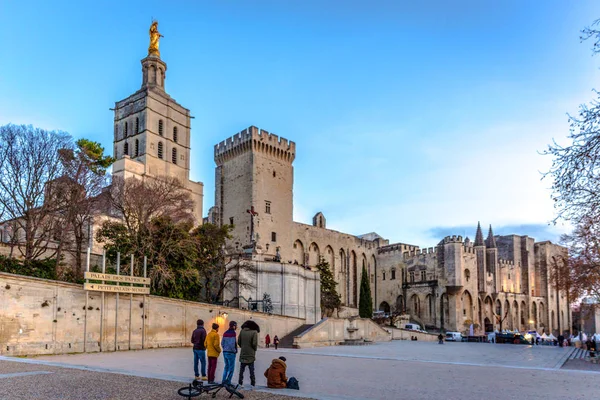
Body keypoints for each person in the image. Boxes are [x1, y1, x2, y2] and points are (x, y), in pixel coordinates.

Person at [238, 320, 260, 390]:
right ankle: (252, 384)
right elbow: (254, 343)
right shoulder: (254, 332)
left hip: (243, 353)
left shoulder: (242, 331)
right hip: (251, 354)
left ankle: (240, 383)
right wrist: (254, 349)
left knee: (241, 370)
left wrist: (243, 347)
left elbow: (239, 342)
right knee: (251, 371)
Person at [221, 321, 238, 386]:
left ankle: (223, 380)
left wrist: (225, 349)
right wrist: (234, 351)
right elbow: (232, 344)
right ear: (233, 326)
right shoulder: (233, 333)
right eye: (236, 326)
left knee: (226, 367)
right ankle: (228, 382)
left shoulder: (225, 333)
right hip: (231, 353)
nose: (236, 327)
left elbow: (222, 343)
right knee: (231, 368)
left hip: (225, 352)